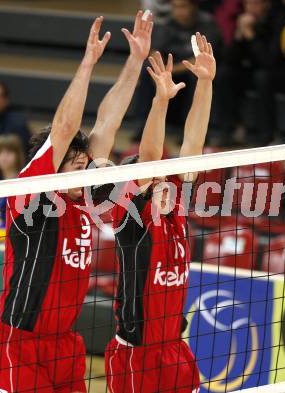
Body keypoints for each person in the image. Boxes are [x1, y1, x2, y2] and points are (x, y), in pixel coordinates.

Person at [0, 10, 153, 393]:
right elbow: (63, 128)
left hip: (65, 344)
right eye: (74, 164)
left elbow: (107, 123)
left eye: (84, 163)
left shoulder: (86, 198)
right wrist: (88, 62)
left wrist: (135, 61)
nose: (84, 169)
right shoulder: (33, 191)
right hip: (19, 342)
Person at [105, 32, 215, 393]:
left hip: (175, 349)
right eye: (153, 179)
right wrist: (160, 100)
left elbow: (193, 143)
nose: (163, 180)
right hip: (136, 354)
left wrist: (205, 84)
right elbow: (150, 157)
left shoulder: (175, 205)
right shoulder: (131, 216)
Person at [217, 0, 285, 146]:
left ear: (266, 4)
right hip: (259, 72)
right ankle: (231, 130)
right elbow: (229, 60)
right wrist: (239, 36)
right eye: (248, 4)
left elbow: (269, 60)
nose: (251, 8)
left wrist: (251, 36)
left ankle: (268, 136)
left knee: (262, 77)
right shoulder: (244, 21)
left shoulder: (281, 20)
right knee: (224, 74)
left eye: (255, 3)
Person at [134, 0, 222, 134]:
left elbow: (201, 59)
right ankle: (143, 125)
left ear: (193, 6)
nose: (178, 11)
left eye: (183, 7)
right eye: (175, 7)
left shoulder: (207, 24)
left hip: (196, 69)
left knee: (197, 76)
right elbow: (155, 51)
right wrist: (160, 68)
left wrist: (169, 71)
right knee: (148, 70)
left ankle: (192, 129)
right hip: (173, 67)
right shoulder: (169, 23)